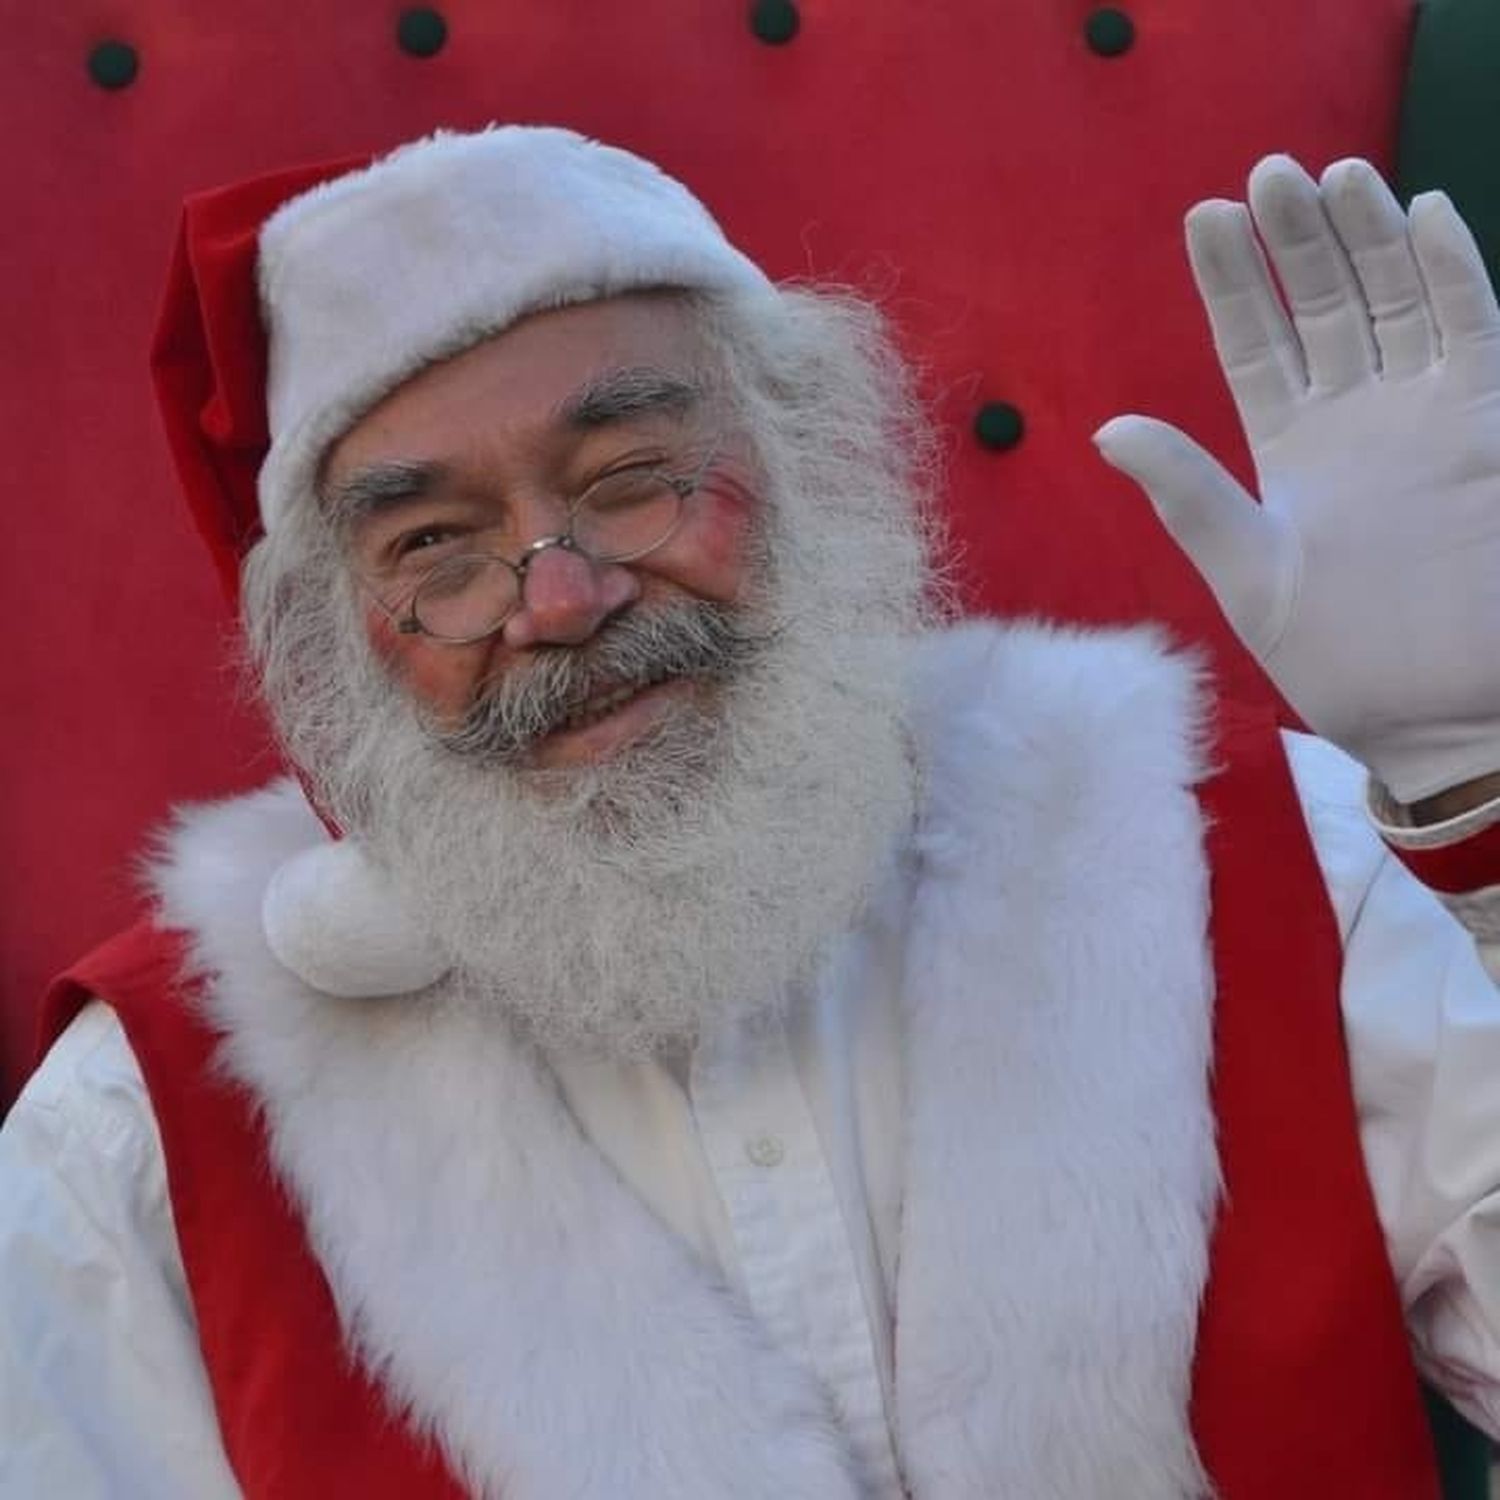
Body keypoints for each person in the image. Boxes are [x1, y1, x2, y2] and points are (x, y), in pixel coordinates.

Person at [2, 124, 1499, 1499]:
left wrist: (1479, 790)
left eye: (633, 477)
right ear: (338, 636)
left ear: (805, 462)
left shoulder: (1250, 858)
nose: (564, 602)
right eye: (438, 549)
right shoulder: (142, 1131)